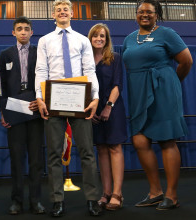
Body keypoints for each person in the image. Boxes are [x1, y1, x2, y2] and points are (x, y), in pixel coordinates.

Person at [122, 0, 193, 210]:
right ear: (136, 14)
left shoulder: (167, 33)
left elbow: (186, 61)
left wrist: (170, 83)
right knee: (140, 141)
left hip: (163, 90)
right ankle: (155, 191)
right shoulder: (128, 39)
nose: (144, 15)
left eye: (149, 12)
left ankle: (171, 195)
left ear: (157, 14)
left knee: (167, 141)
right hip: (138, 93)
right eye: (141, 11)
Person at [35, 0, 102, 216]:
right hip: (52, 100)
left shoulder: (82, 40)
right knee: (54, 153)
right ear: (53, 14)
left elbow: (90, 69)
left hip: (79, 100)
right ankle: (57, 200)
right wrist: (40, 98)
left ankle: (92, 199)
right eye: (58, 9)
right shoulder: (44, 41)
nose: (62, 12)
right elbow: (41, 70)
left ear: (72, 13)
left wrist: (95, 97)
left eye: (66, 9)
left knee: (87, 153)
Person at [0, 16, 45, 215]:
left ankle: (36, 201)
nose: (23, 32)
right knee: (17, 158)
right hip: (14, 109)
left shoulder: (40, 53)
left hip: (35, 107)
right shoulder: (5, 54)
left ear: (32, 32)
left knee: (36, 159)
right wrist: (3, 111)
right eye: (20, 29)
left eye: (27, 29)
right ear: (13, 32)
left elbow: (45, 79)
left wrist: (41, 101)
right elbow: (0, 85)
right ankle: (17, 200)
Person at [88, 23, 127, 211]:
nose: (99, 39)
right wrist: (91, 110)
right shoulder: (85, 60)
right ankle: (106, 193)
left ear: (107, 39)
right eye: (96, 36)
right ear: (90, 38)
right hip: (93, 111)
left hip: (113, 109)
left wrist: (108, 107)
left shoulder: (115, 58)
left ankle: (118, 194)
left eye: (102, 36)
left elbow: (117, 85)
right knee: (101, 149)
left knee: (114, 148)